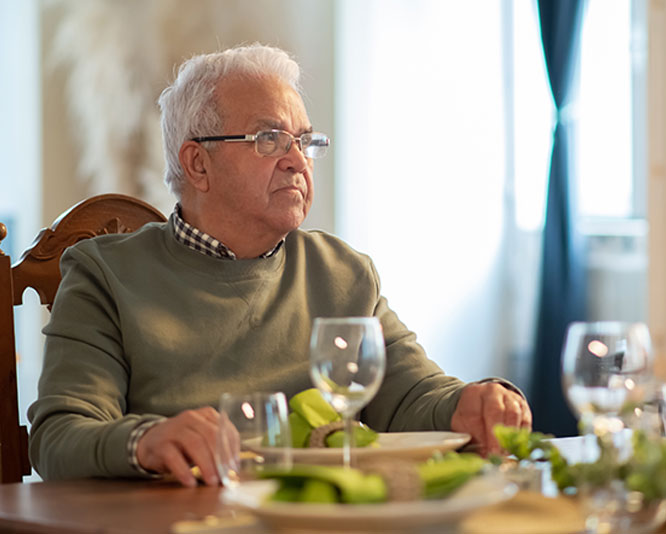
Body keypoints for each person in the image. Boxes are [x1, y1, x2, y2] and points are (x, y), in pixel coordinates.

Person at [28, 43, 531, 487]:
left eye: (305, 141)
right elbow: (59, 437)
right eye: (269, 138)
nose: (297, 160)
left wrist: (468, 403)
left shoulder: (342, 272)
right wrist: (144, 441)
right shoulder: (104, 274)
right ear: (197, 163)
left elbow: (412, 395)